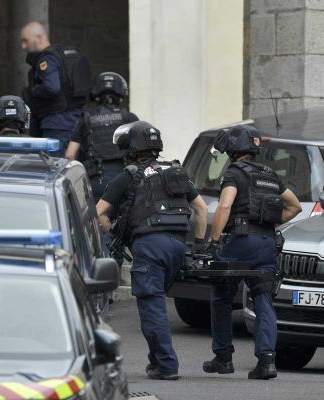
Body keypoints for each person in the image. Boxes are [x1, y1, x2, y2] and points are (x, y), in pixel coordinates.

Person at [95, 121, 208, 380]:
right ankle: (156, 360)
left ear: (131, 149)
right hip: (178, 247)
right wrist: (200, 244)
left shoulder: (129, 175)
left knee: (152, 307)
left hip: (149, 247)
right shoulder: (176, 171)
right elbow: (201, 209)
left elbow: (99, 211)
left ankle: (167, 366)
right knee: (155, 303)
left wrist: (113, 232)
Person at [201, 125, 302, 380]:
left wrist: (213, 242)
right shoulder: (269, 174)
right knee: (263, 298)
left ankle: (223, 357)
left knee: (221, 295)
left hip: (240, 242)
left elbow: (224, 206)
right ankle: (267, 361)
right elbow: (296, 206)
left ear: (233, 149)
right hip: (266, 243)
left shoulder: (234, 173)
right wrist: (271, 223)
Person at [65, 72, 138, 199]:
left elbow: (69, 155)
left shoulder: (86, 119)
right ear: (121, 92)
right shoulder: (129, 118)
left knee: (98, 216)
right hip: (125, 178)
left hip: (95, 180)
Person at [21, 21, 83, 156]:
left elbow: (51, 87)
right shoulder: (61, 57)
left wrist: (34, 91)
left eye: (26, 41)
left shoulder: (46, 60)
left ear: (39, 37)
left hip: (56, 126)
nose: (23, 46)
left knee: (52, 170)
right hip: (73, 122)